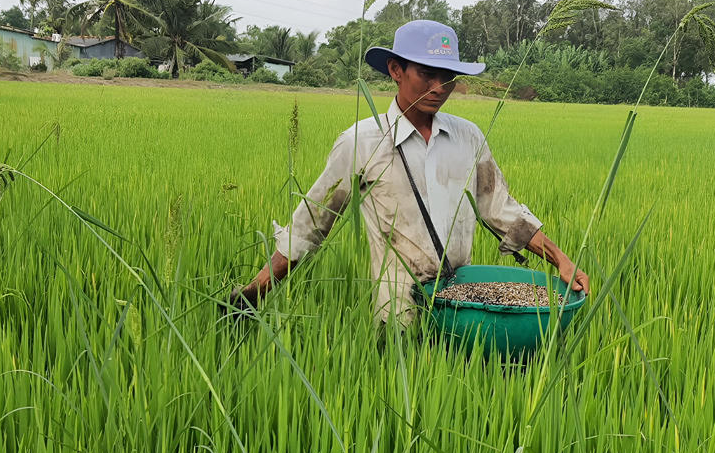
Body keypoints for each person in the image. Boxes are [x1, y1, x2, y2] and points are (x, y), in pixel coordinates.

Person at [228, 19, 589, 326]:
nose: (438, 88)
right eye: (426, 74)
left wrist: (561, 259)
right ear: (396, 71)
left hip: (461, 309)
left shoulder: (468, 137)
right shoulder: (361, 142)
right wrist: (253, 293)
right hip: (396, 317)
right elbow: (310, 226)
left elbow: (499, 208)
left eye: (447, 77)